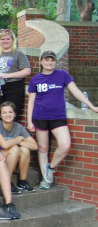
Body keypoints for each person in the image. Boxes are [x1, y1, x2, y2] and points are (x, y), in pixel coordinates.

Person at [27, 50, 98, 189]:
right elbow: (31, 101)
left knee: (65, 145)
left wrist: (92, 106)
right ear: (41, 62)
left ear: (55, 62)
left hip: (57, 117)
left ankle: (50, 168)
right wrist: (29, 121)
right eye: (46, 60)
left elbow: (75, 91)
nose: (49, 63)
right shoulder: (36, 79)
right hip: (40, 117)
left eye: (52, 60)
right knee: (43, 148)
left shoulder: (62, 75)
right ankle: (45, 180)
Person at [0, 101, 37, 194]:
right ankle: (7, 182)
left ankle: (22, 181)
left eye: (10, 112)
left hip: (14, 159)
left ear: (14, 114)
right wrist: (18, 139)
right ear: (0, 115)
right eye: (4, 112)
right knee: (15, 148)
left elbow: (34, 146)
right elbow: (4, 145)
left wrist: (19, 141)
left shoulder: (18, 127)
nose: (7, 115)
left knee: (24, 150)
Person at [0, 29, 31, 118]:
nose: (5, 41)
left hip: (13, 87)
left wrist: (8, 75)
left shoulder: (18, 54)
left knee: (11, 113)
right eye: (2, 39)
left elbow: (27, 71)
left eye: (7, 39)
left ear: (13, 40)